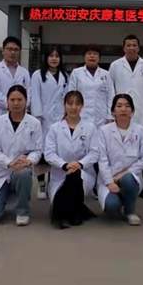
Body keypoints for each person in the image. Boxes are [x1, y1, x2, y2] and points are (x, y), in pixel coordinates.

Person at [0, 85, 44, 226]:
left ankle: (22, 211)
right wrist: (9, 163)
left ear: (26, 101)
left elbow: (38, 150)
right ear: (7, 101)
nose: (16, 103)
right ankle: (8, 196)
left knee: (24, 173)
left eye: (20, 99)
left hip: (21, 170)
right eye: (12, 100)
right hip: (0, 172)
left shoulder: (34, 123)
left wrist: (28, 161)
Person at [108, 35, 143, 200]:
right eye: (128, 45)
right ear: (123, 48)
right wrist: (111, 113)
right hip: (120, 113)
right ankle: (117, 182)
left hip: (141, 115)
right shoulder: (115, 66)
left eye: (134, 45)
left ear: (138, 47)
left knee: (141, 150)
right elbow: (111, 90)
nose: (131, 48)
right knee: (119, 149)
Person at [44, 90, 99, 229]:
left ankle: (65, 213)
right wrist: (65, 165)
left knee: (75, 176)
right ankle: (76, 211)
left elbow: (94, 153)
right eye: (70, 103)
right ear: (64, 105)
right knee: (65, 190)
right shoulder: (55, 128)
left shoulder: (90, 128)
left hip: (83, 175)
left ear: (82, 106)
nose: (74, 107)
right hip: (59, 175)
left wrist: (79, 164)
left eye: (77, 104)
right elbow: (49, 154)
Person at [96, 94, 143, 226]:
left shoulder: (140, 130)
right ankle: (120, 198)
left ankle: (130, 211)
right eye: (119, 106)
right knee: (111, 206)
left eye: (127, 106)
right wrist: (109, 182)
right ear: (112, 111)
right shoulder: (104, 131)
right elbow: (102, 160)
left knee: (128, 179)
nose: (123, 109)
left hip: (130, 178)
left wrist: (126, 173)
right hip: (109, 178)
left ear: (132, 111)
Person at [29, 46, 69, 200]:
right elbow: (35, 96)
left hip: (60, 118)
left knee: (56, 152)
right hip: (43, 119)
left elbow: (67, 97)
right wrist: (37, 117)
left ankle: (53, 181)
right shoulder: (38, 75)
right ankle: (41, 184)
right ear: (46, 58)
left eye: (57, 56)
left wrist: (66, 115)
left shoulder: (65, 76)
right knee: (41, 152)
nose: (54, 59)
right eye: (51, 56)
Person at [0, 36, 31, 127]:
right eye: (9, 49)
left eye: (16, 50)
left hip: (20, 117)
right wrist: (12, 104)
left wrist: (20, 105)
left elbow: (28, 93)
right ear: (3, 51)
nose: (12, 52)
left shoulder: (24, 72)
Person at [67, 46, 114, 128]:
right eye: (89, 54)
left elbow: (111, 95)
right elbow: (71, 95)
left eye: (95, 54)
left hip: (101, 118)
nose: (92, 56)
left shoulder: (106, 74)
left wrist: (110, 116)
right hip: (81, 115)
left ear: (99, 58)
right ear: (84, 57)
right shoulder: (76, 73)